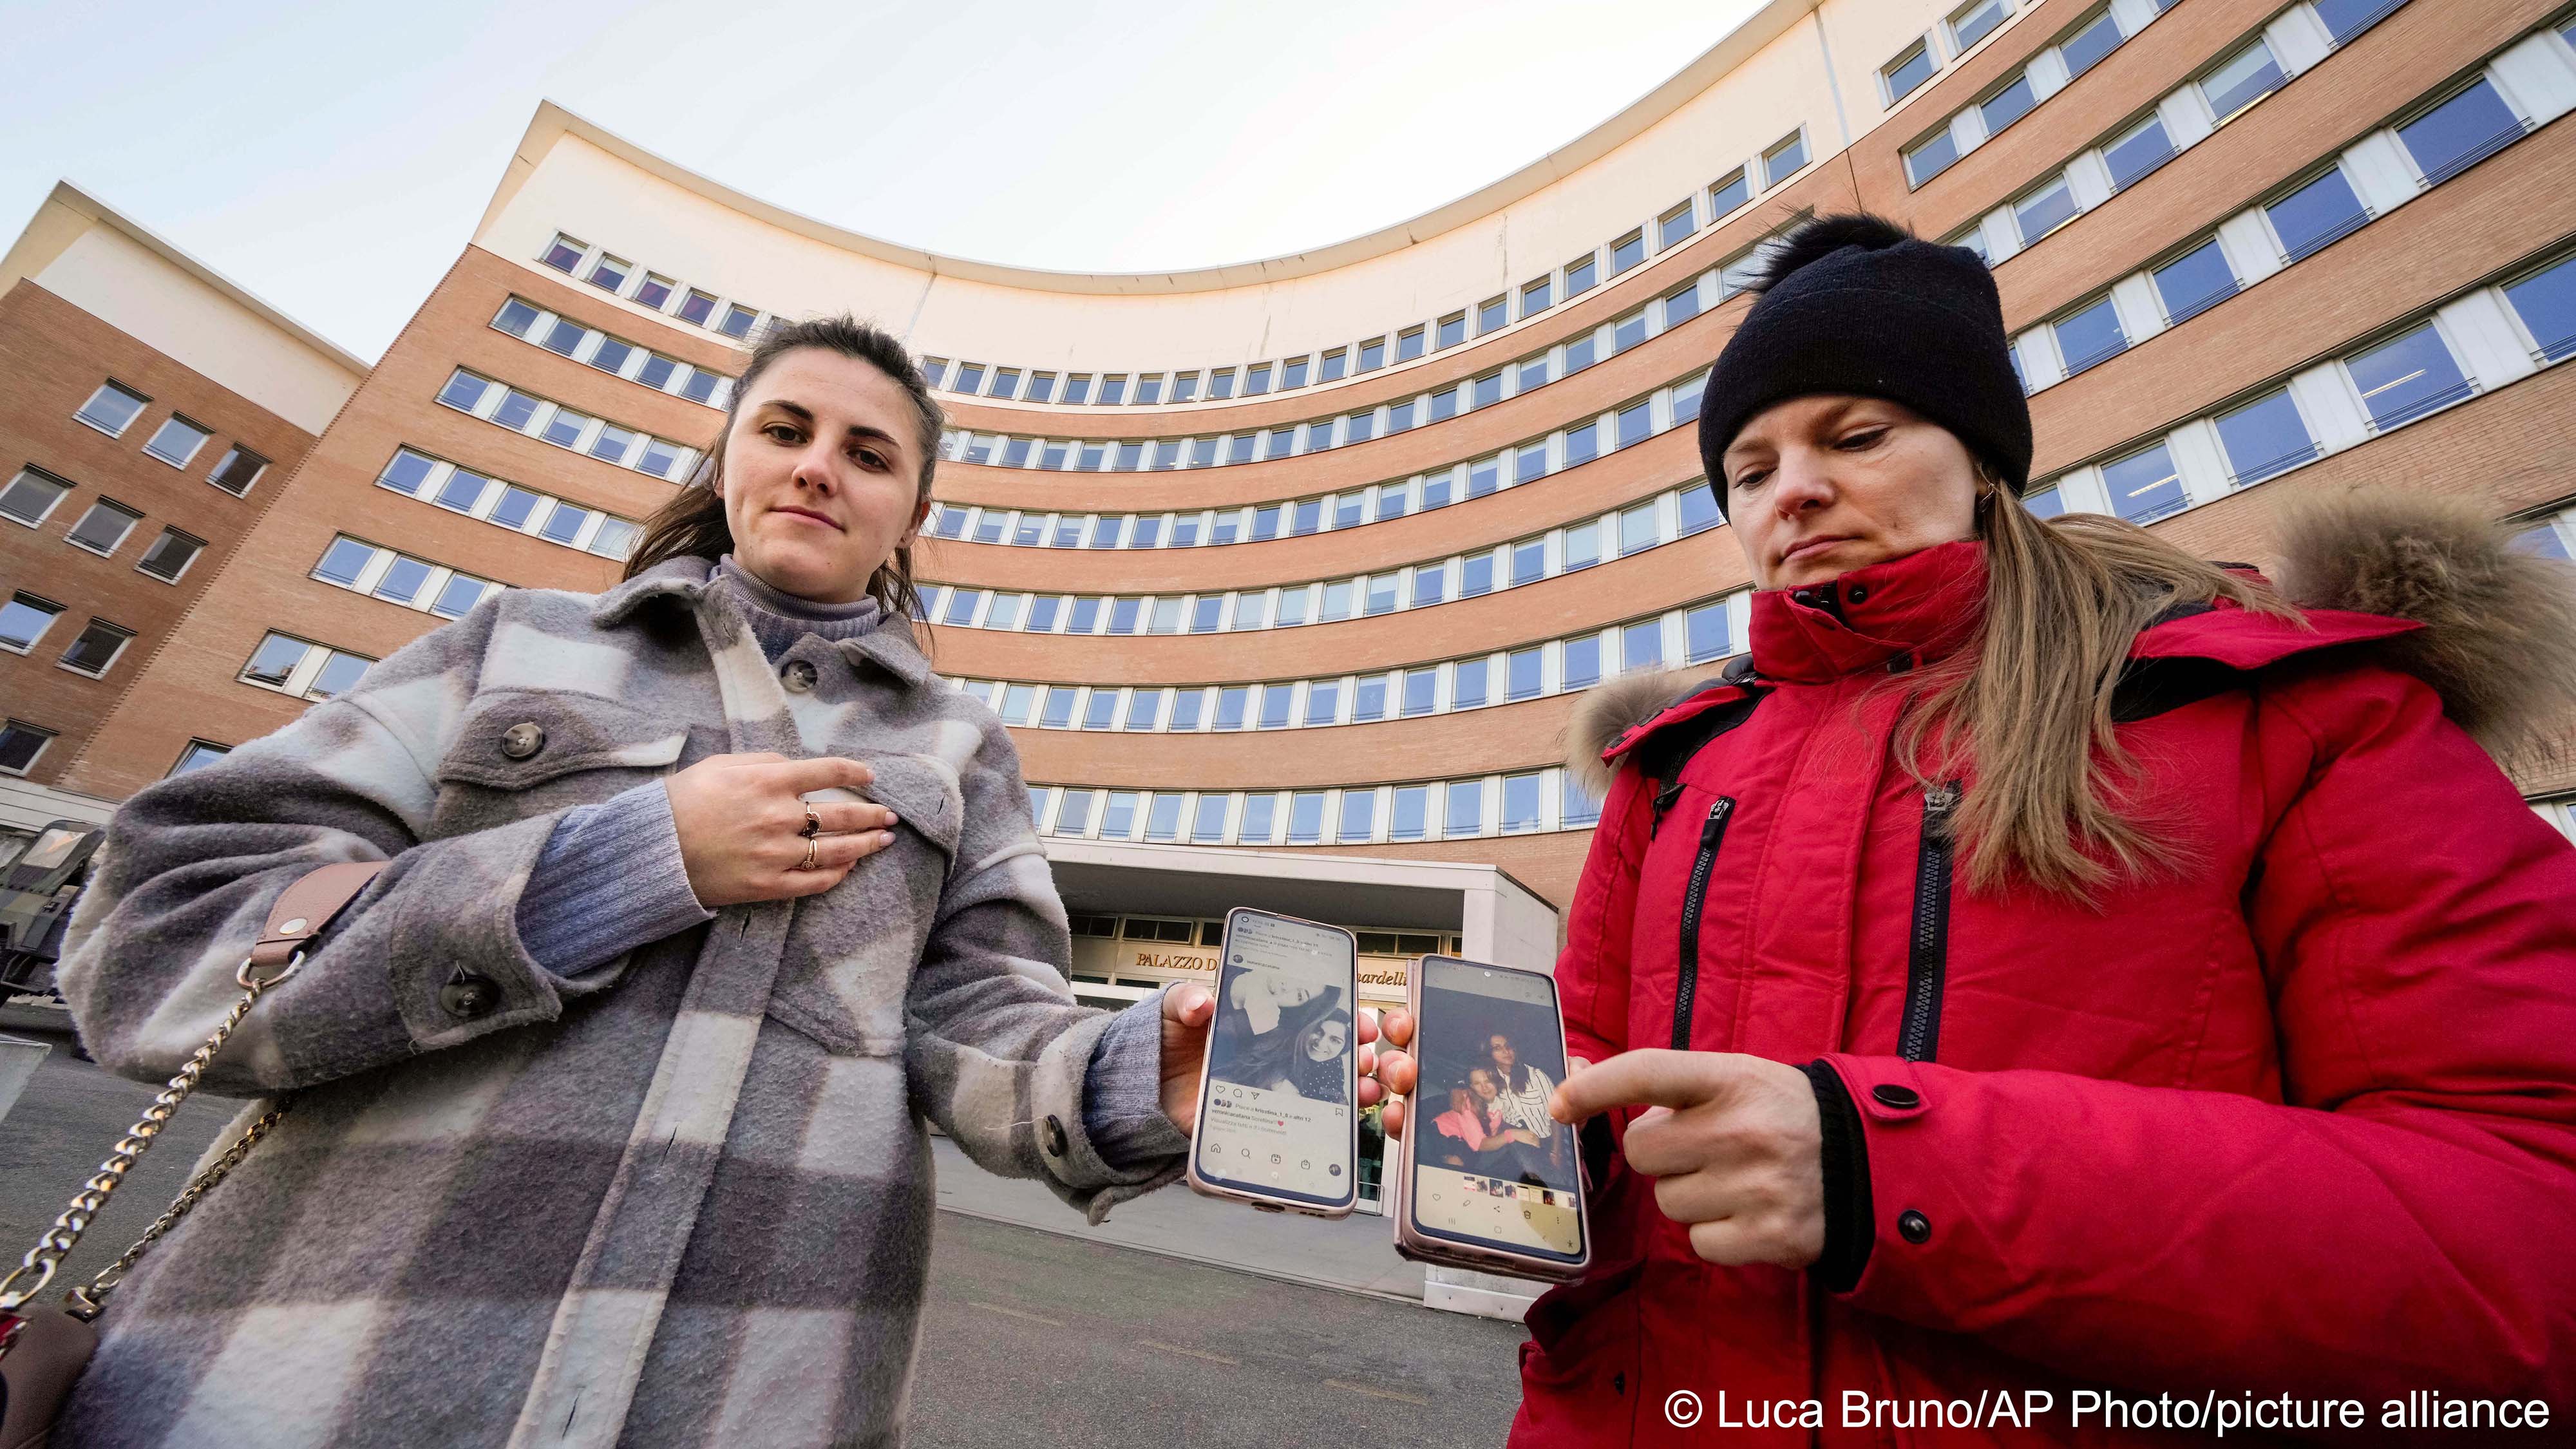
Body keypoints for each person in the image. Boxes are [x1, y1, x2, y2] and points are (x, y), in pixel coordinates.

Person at [50, 314, 1381, 1448]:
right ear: (729, 457)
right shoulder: (511, 646)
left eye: (868, 453)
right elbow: (163, 917)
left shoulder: (958, 752)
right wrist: (615, 867)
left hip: (754, 1399)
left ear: (914, 509)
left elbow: (978, 1027)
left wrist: (1131, 1077)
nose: (818, 468)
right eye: (784, 429)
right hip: (299, 1387)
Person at [1372, 214, 2576, 1443]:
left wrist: (1886, 1174)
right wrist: (1509, 1143)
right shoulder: (1671, 770)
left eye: (1858, 434)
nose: (1795, 487)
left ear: (1982, 457)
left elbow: (2531, 1239)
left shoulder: (2292, 714)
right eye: (1749, 468)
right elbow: (1610, 1157)